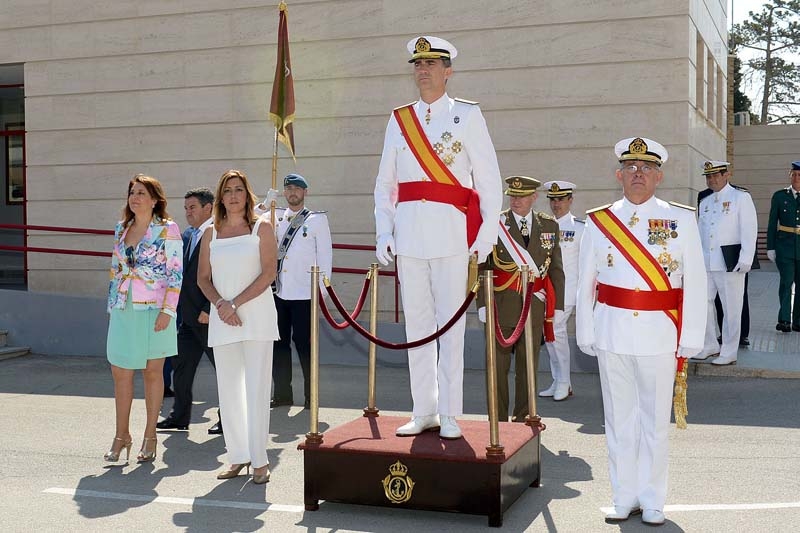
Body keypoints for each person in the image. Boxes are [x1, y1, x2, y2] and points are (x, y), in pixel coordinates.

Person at [374, 35, 502, 440]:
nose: (423, 70)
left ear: (448, 71)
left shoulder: (467, 116)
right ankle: (423, 409)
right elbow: (386, 184)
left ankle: (449, 413)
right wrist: (384, 229)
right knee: (417, 328)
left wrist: (486, 233)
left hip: (451, 236)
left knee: (450, 327)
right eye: (418, 64)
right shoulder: (399, 119)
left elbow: (488, 179)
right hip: (410, 236)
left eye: (431, 63)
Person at [576, 137, 707, 526]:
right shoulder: (599, 220)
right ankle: (623, 496)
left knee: (653, 424)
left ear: (659, 176)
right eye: (631, 168)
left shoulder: (681, 219)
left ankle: (652, 500)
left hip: (660, 334)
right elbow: (586, 281)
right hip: (612, 331)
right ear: (619, 175)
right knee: (619, 421)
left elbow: (695, 282)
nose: (638, 174)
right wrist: (585, 330)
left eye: (647, 168)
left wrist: (691, 336)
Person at [197, 169, 279, 484]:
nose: (233, 196)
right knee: (229, 391)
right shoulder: (211, 233)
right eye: (228, 190)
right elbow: (203, 278)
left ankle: (259, 460)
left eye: (239, 190)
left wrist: (236, 303)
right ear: (221, 197)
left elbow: (269, 273)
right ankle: (238, 456)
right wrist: (222, 304)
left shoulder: (262, 227)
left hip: (256, 318)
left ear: (247, 194)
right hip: (223, 320)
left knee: (256, 390)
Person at [105, 174, 183, 463]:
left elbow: (176, 273)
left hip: (154, 310)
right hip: (123, 308)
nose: (135, 197)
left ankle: (150, 436)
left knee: (152, 372)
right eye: (132, 192)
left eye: (141, 193)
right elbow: (115, 269)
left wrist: (168, 311)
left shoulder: (168, 229)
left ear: (154, 200)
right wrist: (113, 305)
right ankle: (121, 435)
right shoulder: (121, 228)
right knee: (120, 372)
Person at [477, 176, 564, 421]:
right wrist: (482, 303)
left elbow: (556, 268)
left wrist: (557, 307)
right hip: (501, 304)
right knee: (497, 367)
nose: (515, 200)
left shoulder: (549, 225)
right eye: (512, 196)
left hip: (534, 305)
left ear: (534, 197)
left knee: (528, 366)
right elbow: (483, 266)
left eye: (522, 196)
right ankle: (498, 419)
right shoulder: (495, 224)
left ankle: (524, 415)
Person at [264, 174, 332, 410]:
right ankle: (283, 394)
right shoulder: (274, 216)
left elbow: (325, 256)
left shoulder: (316, 220)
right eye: (288, 188)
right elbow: (248, 220)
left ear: (305, 192)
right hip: (279, 291)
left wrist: (322, 291)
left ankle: (311, 395)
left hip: (305, 293)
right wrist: (265, 204)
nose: (292, 192)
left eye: (297, 188)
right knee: (279, 346)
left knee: (305, 347)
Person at [158, 187, 222, 434]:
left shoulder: (218, 233)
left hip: (208, 317)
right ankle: (179, 417)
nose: (188, 212)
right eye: (185, 208)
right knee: (181, 368)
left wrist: (209, 307)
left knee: (224, 371)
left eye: (192, 207)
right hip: (186, 317)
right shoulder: (187, 235)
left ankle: (228, 419)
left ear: (208, 207)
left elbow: (221, 274)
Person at [693, 161, 757, 365]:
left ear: (726, 175)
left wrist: (746, 258)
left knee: (731, 309)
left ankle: (729, 351)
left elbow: (749, 229)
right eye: (708, 176)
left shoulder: (741, 197)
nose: (711, 179)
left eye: (715, 175)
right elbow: (701, 233)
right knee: (702, 305)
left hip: (730, 263)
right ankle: (709, 345)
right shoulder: (705, 202)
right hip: (707, 262)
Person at [540, 180, 583, 401]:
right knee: (549, 334)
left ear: (570, 200)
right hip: (545, 289)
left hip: (567, 289)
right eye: (553, 200)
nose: (556, 204)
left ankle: (564, 381)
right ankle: (558, 379)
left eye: (561, 200)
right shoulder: (543, 226)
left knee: (556, 330)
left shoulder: (580, 228)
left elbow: (587, 263)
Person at [766, 161, 800, 332]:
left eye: (799, 175)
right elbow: (772, 223)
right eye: (794, 174)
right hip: (784, 246)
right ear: (790, 176)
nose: (797, 178)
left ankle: (798, 321)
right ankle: (784, 320)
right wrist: (770, 247)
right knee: (786, 283)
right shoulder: (780, 196)